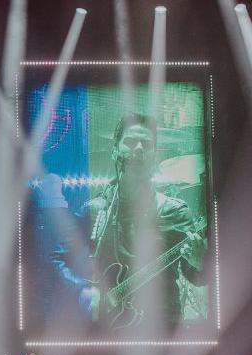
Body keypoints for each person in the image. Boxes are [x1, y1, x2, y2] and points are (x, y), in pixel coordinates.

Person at [53, 113, 207, 329]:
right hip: (110, 333)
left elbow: (198, 277)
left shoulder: (175, 211)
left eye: (146, 143)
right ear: (115, 150)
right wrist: (82, 290)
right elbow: (59, 258)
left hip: (160, 331)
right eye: (130, 142)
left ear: (155, 154)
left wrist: (200, 262)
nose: (138, 149)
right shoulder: (97, 209)